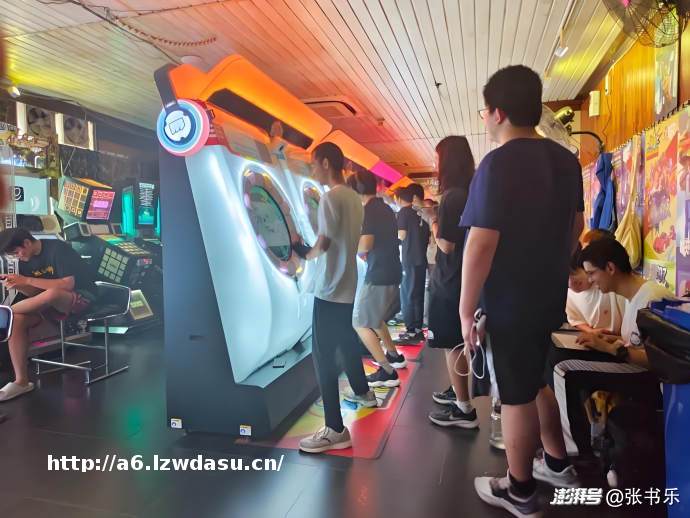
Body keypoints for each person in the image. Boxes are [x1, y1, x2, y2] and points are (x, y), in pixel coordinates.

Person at [459, 65, 584, 517]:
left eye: (484, 112)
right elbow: (577, 226)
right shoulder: (567, 161)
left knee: (513, 394)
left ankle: (520, 491)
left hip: (510, 302)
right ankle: (557, 463)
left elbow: (481, 243)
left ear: (497, 112)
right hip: (548, 297)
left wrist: (465, 309)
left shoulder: (496, 163)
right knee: (537, 380)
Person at [544, 238, 671, 458]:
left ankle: (570, 454)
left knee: (562, 367)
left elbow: (660, 361)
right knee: (556, 354)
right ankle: (574, 442)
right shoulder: (634, 297)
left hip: (648, 379)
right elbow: (636, 342)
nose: (591, 280)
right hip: (634, 368)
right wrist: (609, 340)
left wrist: (609, 348)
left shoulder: (652, 299)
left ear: (610, 268)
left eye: (592, 273)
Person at [292, 142, 376, 454]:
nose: (312, 169)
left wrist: (302, 251)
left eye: (314, 164)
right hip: (347, 285)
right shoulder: (354, 197)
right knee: (346, 342)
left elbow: (323, 244)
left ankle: (334, 429)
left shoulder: (330, 197)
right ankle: (364, 393)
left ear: (326, 163)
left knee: (323, 357)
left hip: (329, 288)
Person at [420, 136, 478, 429]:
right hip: (463, 279)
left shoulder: (452, 198)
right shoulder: (470, 192)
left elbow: (446, 245)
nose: (435, 163)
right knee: (458, 342)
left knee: (451, 344)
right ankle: (458, 390)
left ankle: (464, 408)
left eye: (437, 157)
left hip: (449, 281)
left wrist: (432, 219)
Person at [0, 228, 97, 401]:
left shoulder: (58, 249)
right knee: (17, 320)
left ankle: (6, 313)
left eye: (16, 252)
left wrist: (26, 280)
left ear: (27, 243)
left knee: (53, 293)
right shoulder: (25, 260)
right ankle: (21, 381)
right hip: (49, 304)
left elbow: (67, 284)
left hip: (81, 298)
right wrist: (20, 285)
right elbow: (35, 294)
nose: (17, 257)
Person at [349, 169, 406, 388]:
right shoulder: (385, 207)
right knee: (376, 318)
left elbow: (365, 244)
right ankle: (393, 356)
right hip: (391, 270)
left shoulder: (369, 210)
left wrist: (346, 247)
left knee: (359, 322)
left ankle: (387, 371)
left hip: (379, 274)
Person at [396, 183, 430, 343]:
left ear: (399, 199)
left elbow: (401, 235)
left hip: (409, 259)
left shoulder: (404, 212)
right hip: (421, 259)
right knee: (417, 295)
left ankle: (410, 331)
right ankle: (417, 329)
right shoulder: (421, 213)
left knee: (407, 295)